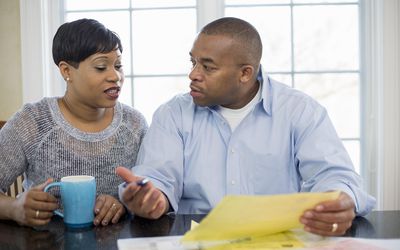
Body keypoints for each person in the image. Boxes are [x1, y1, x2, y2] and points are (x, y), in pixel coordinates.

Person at [117, 17, 376, 236]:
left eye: (208, 67)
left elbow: (335, 176)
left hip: (279, 240)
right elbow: (157, 179)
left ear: (245, 73)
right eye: (193, 62)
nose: (194, 74)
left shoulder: (300, 111)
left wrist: (339, 200)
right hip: (196, 239)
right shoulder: (172, 114)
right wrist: (152, 198)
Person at [0, 18, 147, 227]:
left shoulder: (135, 125)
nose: (115, 76)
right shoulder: (32, 120)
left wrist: (124, 204)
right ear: (66, 71)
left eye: (118, 65)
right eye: (101, 67)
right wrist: (14, 208)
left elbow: (150, 194)